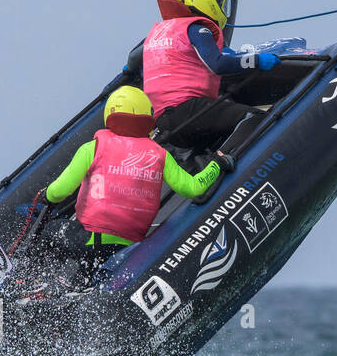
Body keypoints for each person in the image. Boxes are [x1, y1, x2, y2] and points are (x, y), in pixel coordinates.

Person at [41, 86, 230, 268]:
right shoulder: (160, 155)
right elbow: (193, 188)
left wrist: (46, 195)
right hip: (127, 247)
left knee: (50, 231)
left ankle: (30, 280)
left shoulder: (93, 148)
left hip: (90, 239)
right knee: (86, 267)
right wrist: (216, 164)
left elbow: (60, 191)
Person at [143, 0, 281, 152]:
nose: (223, 10)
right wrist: (256, 60)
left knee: (219, 129)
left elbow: (138, 62)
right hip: (189, 111)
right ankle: (222, 161)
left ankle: (209, 167)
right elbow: (217, 64)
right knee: (252, 117)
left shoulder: (157, 33)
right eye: (221, 3)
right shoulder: (197, 29)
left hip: (164, 122)